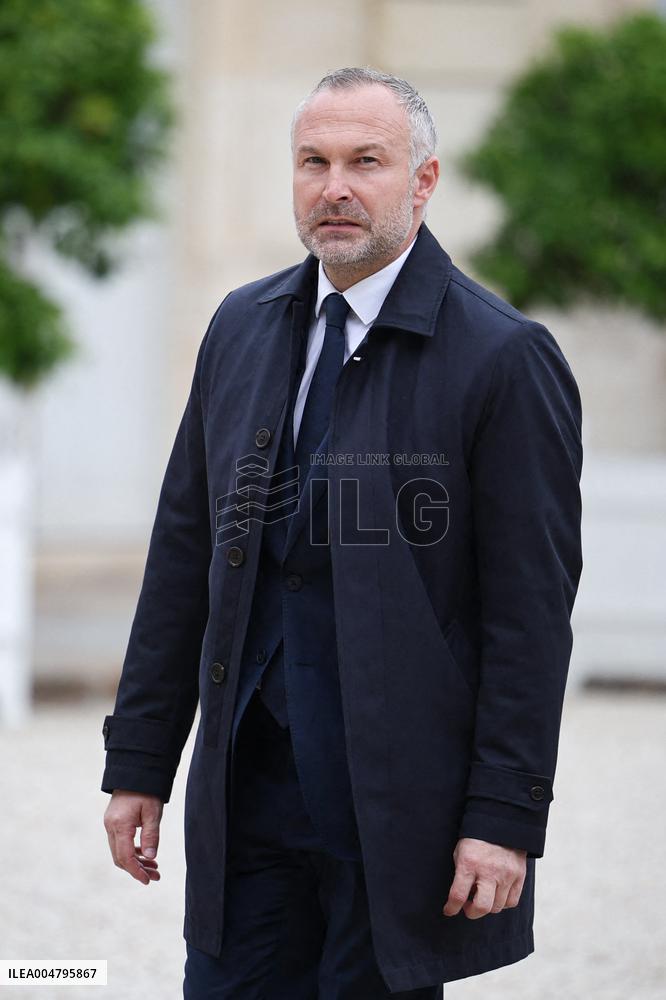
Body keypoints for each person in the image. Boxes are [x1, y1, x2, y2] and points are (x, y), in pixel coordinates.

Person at [101, 67, 583, 999]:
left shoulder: (506, 358)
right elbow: (182, 560)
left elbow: (530, 619)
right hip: (247, 799)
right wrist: (140, 763)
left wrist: (504, 815)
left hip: (401, 809)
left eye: (367, 161)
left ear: (424, 180)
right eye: (313, 162)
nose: (336, 187)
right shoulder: (240, 328)